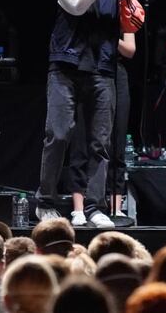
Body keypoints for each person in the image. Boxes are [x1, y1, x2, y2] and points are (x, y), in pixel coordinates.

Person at [35, 0, 144, 222]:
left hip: (102, 67)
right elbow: (77, 4)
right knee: (58, 134)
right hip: (66, 66)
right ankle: (46, 201)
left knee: (101, 142)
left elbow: (135, 22)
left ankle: (95, 207)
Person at [67, 32, 136, 228]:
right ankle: (79, 208)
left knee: (116, 141)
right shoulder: (84, 4)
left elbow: (130, 50)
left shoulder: (122, 7)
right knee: (80, 140)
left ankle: (115, 208)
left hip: (114, 72)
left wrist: (108, 37)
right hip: (83, 70)